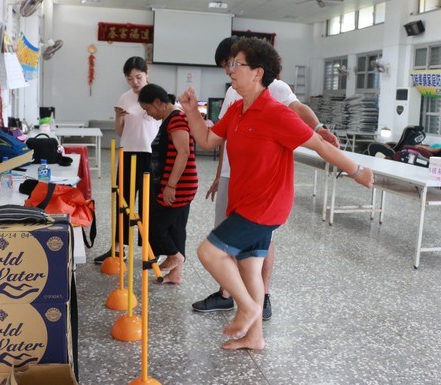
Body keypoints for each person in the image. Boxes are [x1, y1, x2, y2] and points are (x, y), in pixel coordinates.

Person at [179, 37, 373, 350]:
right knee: (249, 267)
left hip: (266, 206)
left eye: (237, 64)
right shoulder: (238, 109)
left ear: (257, 73)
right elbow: (206, 140)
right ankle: (255, 338)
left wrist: (357, 171)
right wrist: (191, 112)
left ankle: (248, 307)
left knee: (210, 252)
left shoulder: (277, 112)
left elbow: (321, 145)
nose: (230, 70)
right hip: (246, 201)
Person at [191, 36, 340, 320]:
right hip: (231, 177)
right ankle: (226, 294)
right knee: (225, 236)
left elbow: (299, 110)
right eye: (227, 64)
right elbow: (223, 136)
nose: (228, 70)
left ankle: (261, 298)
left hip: (261, 182)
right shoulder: (234, 92)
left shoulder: (274, 87)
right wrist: (219, 174)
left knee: (261, 239)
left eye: (232, 62)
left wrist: (319, 128)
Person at [95, 56, 161, 264]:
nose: (135, 82)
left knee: (148, 204)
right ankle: (118, 248)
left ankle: (149, 250)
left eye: (138, 77)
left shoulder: (157, 94)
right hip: (128, 151)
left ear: (147, 73)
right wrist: (119, 116)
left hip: (151, 154)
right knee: (123, 201)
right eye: (130, 78)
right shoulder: (125, 97)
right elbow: (119, 130)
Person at [137, 84, 198, 284]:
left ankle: (175, 256)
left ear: (158, 102)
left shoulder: (176, 119)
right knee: (176, 227)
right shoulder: (171, 119)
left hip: (179, 185)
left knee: (154, 227)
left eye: (148, 109)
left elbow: (184, 152)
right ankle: (176, 274)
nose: (149, 114)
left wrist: (170, 185)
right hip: (181, 183)